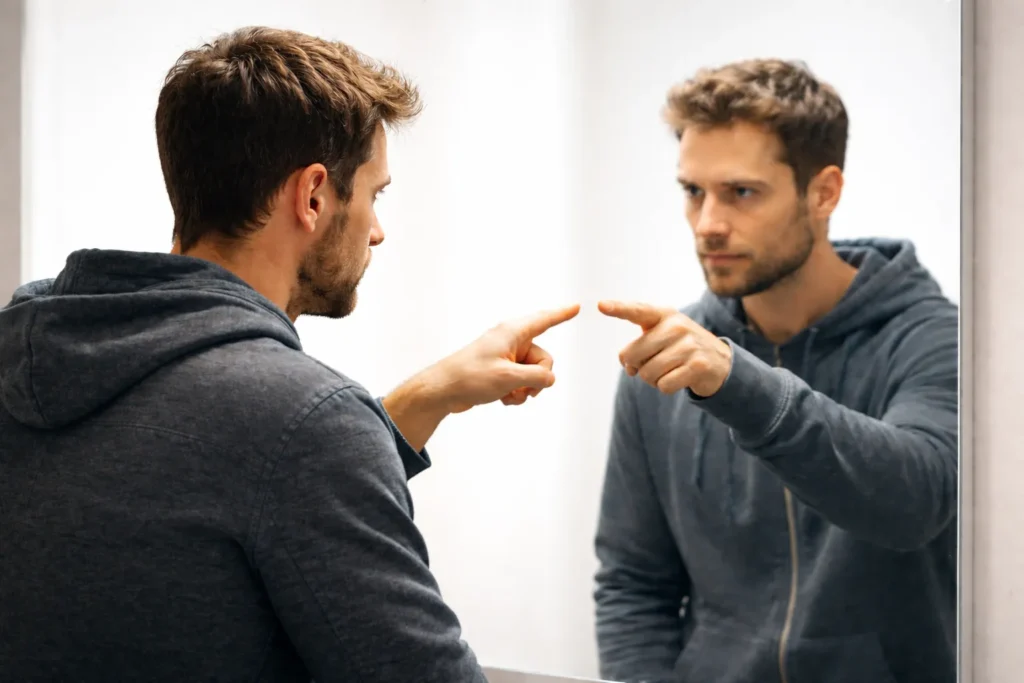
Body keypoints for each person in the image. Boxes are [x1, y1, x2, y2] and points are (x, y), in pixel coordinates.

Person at [0, 27, 579, 683]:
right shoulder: (304, 422)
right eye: (374, 194)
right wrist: (346, 421)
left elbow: (210, 474)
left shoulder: (30, 354)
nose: (379, 229)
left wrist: (423, 398)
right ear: (312, 196)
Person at [593, 59, 959, 683]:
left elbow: (916, 499)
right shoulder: (669, 360)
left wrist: (739, 385)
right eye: (692, 192)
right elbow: (634, 581)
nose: (708, 224)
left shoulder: (933, 336)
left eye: (741, 192)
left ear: (824, 192)